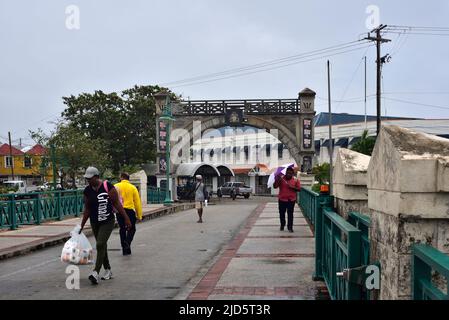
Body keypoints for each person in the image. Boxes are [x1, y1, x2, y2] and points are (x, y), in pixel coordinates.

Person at [79, 166, 132, 285]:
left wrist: (126, 219)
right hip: (94, 221)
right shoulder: (87, 190)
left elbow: (117, 204)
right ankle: (108, 269)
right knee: (102, 246)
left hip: (107, 221)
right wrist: (82, 225)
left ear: (97, 177)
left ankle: (95, 272)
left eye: (90, 178)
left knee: (100, 244)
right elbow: (87, 209)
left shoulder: (108, 187)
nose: (88, 181)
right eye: (87, 179)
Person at [114, 173, 142, 256]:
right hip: (130, 211)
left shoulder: (116, 186)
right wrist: (139, 215)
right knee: (132, 229)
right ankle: (127, 242)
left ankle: (124, 248)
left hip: (119, 210)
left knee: (122, 229)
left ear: (121, 177)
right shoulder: (133, 188)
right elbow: (137, 203)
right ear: (128, 179)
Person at [273, 167, 301, 233]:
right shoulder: (281, 179)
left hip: (291, 200)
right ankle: (282, 224)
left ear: (292, 173)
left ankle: (290, 227)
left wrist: (292, 187)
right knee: (282, 213)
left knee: (290, 214)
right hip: (282, 199)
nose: (289, 174)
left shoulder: (296, 180)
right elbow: (275, 186)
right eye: (287, 173)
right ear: (285, 173)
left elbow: (299, 189)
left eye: (290, 173)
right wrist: (277, 180)